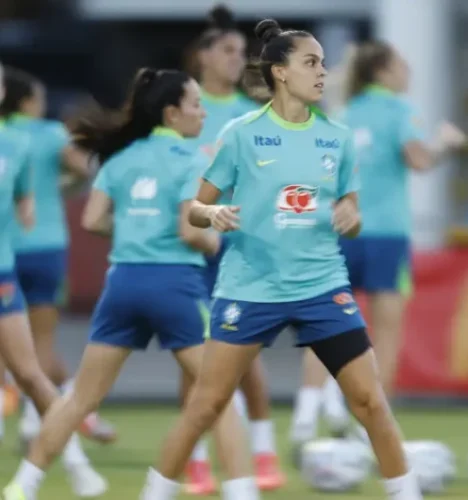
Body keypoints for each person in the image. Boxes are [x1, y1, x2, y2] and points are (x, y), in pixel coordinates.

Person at [133, 19, 425, 500]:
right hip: (250, 289)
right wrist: (215, 212)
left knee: (370, 401)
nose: (322, 72)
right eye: (311, 62)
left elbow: (351, 211)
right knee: (205, 406)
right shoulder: (241, 134)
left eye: (324, 64)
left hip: (321, 287)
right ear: (280, 73)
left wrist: (349, 215)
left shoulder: (338, 137)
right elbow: (197, 209)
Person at [3, 67, 255, 500]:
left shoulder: (120, 158)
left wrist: (138, 231)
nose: (202, 115)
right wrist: (218, 245)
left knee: (80, 399)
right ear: (172, 114)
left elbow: (92, 219)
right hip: (175, 285)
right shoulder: (194, 160)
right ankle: (243, 492)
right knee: (219, 398)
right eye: (196, 106)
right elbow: (191, 232)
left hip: (121, 284)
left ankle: (22, 485)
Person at [290, 41, 468, 445]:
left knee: (325, 321)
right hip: (386, 234)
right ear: (384, 72)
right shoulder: (401, 111)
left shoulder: (344, 112)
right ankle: (369, 426)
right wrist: (446, 142)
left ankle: (306, 413)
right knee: (386, 331)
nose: (408, 71)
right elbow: (419, 160)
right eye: (402, 64)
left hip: (342, 230)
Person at [183, 5, 284, 494]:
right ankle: (196, 460)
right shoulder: (184, 106)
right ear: (203, 56)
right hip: (191, 247)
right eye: (227, 51)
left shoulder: (251, 112)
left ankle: (264, 453)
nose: (235, 60)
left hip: (239, 247)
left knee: (247, 356)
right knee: (195, 355)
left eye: (241, 53)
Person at [0, 61, 107, 500]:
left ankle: (77, 465)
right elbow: (66, 179)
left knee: (29, 371)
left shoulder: (14, 143)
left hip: (5, 269)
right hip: (39, 255)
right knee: (35, 363)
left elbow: (23, 202)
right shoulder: (34, 139)